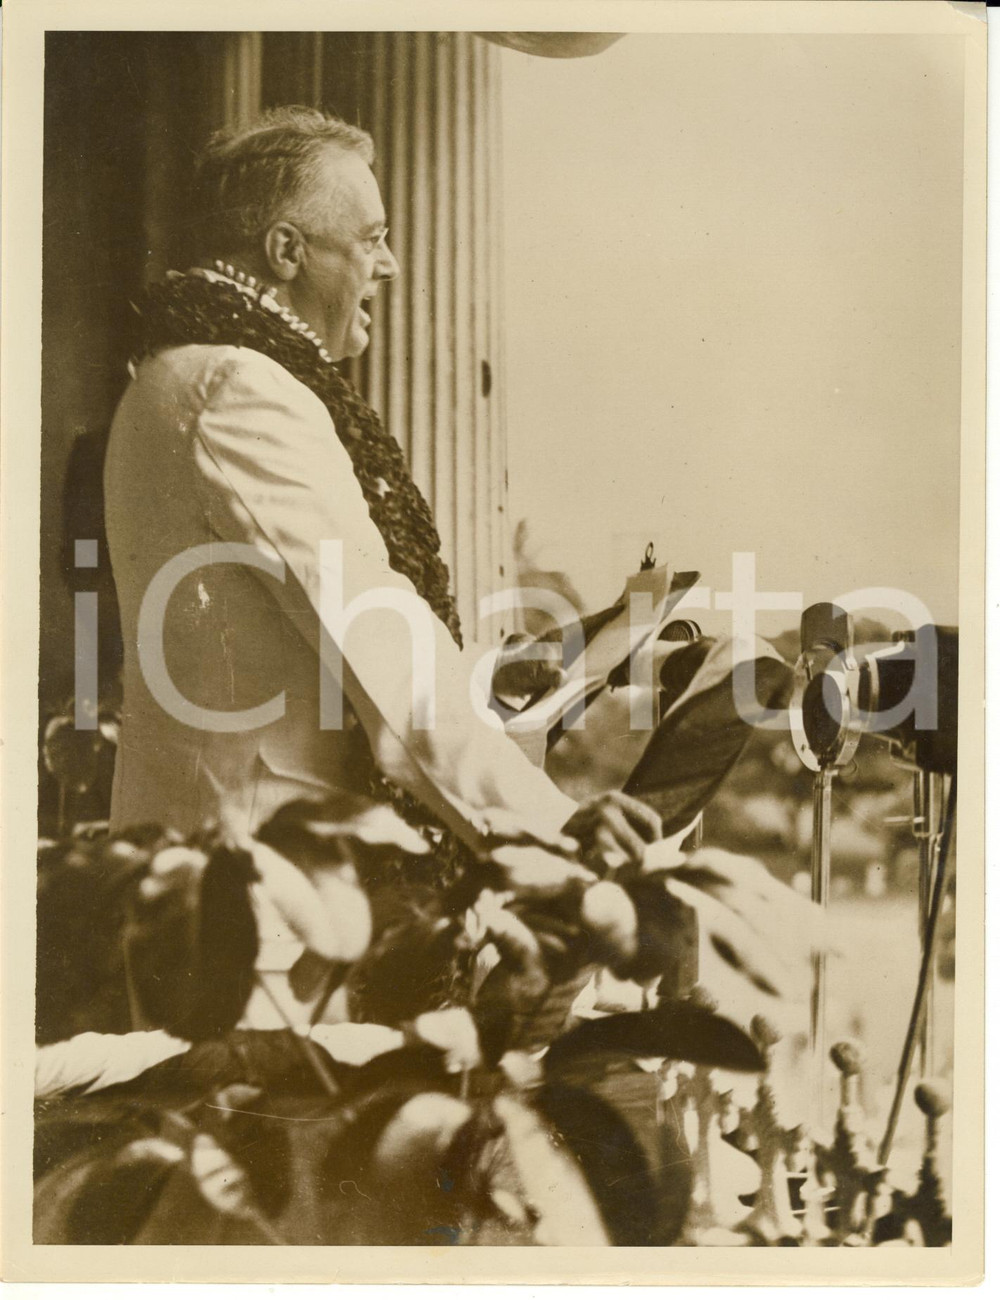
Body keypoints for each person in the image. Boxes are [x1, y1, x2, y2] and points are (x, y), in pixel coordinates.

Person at [103, 105, 663, 881]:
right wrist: (554, 826)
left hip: (221, 864)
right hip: (261, 889)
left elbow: (279, 643)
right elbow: (378, 642)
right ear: (286, 251)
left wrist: (477, 681)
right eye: (372, 239)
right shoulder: (241, 387)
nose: (391, 265)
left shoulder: (181, 371)